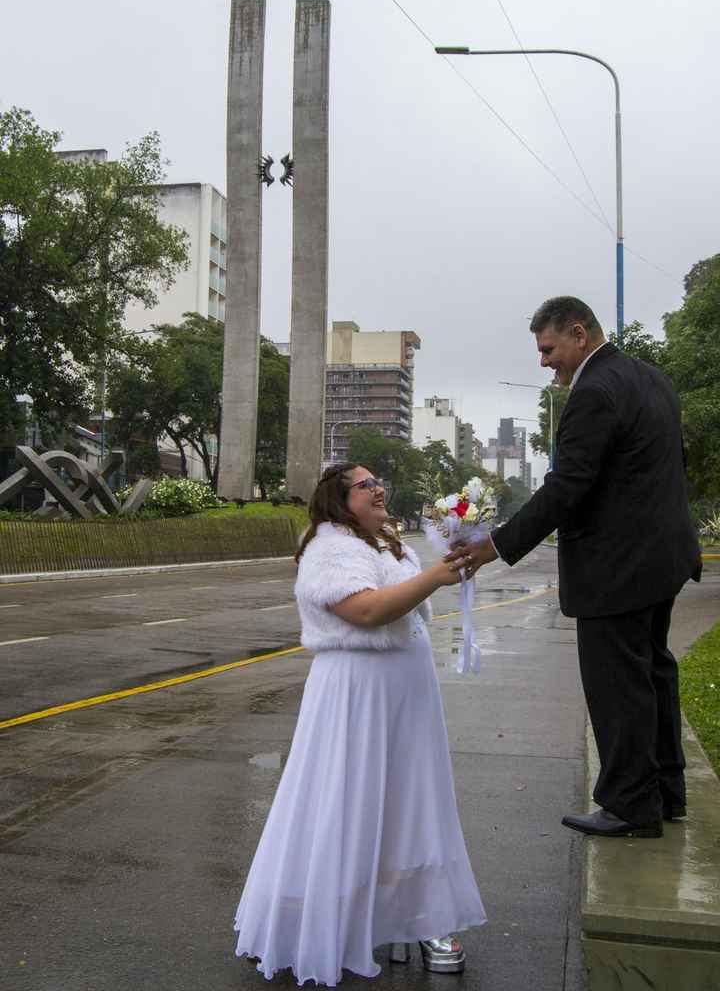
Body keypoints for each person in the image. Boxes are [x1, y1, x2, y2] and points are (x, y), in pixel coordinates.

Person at [451, 296, 701, 839]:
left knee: (620, 685)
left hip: (618, 566)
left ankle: (631, 806)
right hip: (664, 557)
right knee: (653, 672)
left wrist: (495, 544)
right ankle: (665, 793)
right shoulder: (651, 379)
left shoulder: (593, 393)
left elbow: (567, 486)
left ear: (579, 334)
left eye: (549, 349)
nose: (544, 363)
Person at [233, 463, 486, 985]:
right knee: (349, 799)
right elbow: (367, 611)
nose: (378, 491)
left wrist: (448, 565)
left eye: (378, 483)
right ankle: (338, 917)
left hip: (407, 694)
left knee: (412, 798)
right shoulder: (329, 549)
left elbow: (409, 600)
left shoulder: (388, 544)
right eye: (366, 485)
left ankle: (417, 914)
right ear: (338, 499)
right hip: (356, 694)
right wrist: (436, 576)